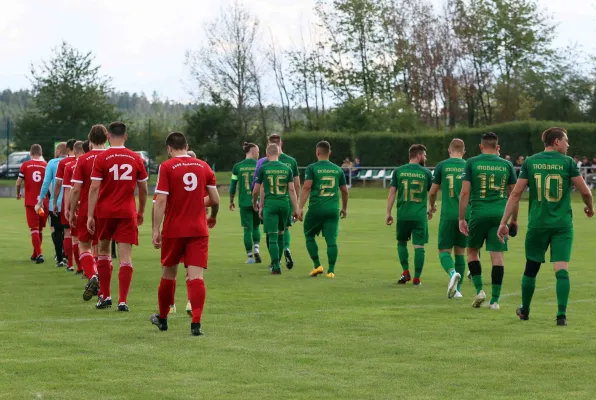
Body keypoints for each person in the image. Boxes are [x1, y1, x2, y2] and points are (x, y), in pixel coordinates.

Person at [498, 127, 594, 326]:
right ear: (557, 141)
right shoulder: (567, 163)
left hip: (537, 224)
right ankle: (561, 315)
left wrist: (503, 222)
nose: (568, 144)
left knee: (531, 268)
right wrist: (589, 207)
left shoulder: (531, 161)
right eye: (566, 140)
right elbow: (585, 192)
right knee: (561, 269)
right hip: (562, 225)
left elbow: (515, 194)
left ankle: (524, 310)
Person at [150, 132, 219, 336]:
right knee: (196, 276)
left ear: (169, 148)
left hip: (174, 229)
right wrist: (202, 207)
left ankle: (163, 319)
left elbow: (160, 200)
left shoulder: (167, 167)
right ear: (187, 146)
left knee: (169, 274)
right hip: (198, 229)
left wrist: (156, 228)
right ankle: (196, 324)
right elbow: (214, 199)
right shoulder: (203, 166)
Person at [87, 121, 148, 311]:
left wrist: (90, 215)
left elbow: (95, 187)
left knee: (103, 252)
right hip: (127, 212)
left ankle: (105, 296)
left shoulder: (102, 158)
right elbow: (144, 188)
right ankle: (123, 301)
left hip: (105, 212)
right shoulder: (136, 158)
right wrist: (141, 211)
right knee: (125, 257)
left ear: (108, 137)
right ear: (126, 136)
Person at [459, 132, 518, 309]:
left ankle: (479, 291)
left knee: (472, 251)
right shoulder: (507, 164)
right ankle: (495, 300)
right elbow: (514, 194)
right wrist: (514, 220)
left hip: (478, 213)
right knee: (497, 255)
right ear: (497, 146)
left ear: (481, 146)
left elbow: (464, 193)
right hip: (500, 215)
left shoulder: (472, 162)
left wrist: (461, 218)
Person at [298, 141, 349, 278]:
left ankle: (317, 265)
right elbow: (344, 190)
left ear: (317, 152)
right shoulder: (338, 169)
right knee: (331, 241)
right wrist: (344, 208)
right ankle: (331, 271)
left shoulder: (312, 168)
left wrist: (299, 207)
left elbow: (307, 187)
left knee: (309, 235)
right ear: (329, 153)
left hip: (316, 208)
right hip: (333, 209)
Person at [386, 144, 433, 286]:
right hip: (419, 216)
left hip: (403, 215)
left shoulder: (398, 171)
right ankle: (417, 278)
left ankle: (405, 271)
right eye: (424, 155)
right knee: (419, 246)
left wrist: (388, 213)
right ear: (418, 156)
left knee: (401, 243)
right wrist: (432, 207)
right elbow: (432, 193)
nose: (425, 158)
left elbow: (392, 193)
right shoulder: (426, 173)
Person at [251, 134, 300, 269]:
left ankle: (276, 265)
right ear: (279, 149)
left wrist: (257, 204)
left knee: (271, 236)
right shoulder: (288, 167)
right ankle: (286, 249)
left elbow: (257, 189)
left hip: (270, 204)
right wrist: (296, 208)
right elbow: (293, 189)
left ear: (267, 152)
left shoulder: (263, 166)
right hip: (285, 203)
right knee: (282, 232)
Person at [70, 126, 108, 301]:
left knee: (83, 246)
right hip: (107, 209)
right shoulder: (111, 158)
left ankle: (92, 275)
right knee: (104, 251)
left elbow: (76, 189)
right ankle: (104, 294)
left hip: (86, 208)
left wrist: (71, 210)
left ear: (90, 140)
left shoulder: (83, 159)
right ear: (106, 138)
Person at [428, 139, 467, 298]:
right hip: (466, 215)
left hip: (448, 215)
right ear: (464, 151)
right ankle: (458, 290)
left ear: (449, 150)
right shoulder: (469, 165)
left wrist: (431, 206)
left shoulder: (442, 165)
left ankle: (452, 273)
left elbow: (432, 192)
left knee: (444, 251)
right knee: (460, 252)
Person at [16, 144, 48, 264]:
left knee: (34, 229)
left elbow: (18, 183)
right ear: (41, 153)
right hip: (43, 202)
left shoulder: (26, 165)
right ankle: (35, 254)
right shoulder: (46, 165)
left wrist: (18, 193)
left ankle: (39, 254)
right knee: (39, 229)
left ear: (31, 153)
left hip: (31, 202)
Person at [36, 142, 67, 266]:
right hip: (72, 202)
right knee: (69, 231)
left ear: (59, 151)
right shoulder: (75, 161)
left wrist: (40, 200)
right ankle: (68, 256)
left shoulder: (52, 163)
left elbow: (46, 183)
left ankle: (60, 258)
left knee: (56, 230)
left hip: (56, 203)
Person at [230, 143, 262, 264]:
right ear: (253, 152)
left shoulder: (237, 167)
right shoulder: (261, 165)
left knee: (247, 229)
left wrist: (231, 200)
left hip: (244, 202)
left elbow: (233, 184)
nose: (258, 155)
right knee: (256, 227)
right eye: (258, 152)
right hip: (258, 201)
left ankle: (250, 257)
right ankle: (257, 248)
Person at [53, 139, 77, 271]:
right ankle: (86, 264)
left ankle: (71, 264)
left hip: (67, 201)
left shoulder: (64, 163)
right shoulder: (84, 160)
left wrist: (55, 201)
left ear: (68, 150)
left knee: (68, 232)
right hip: (83, 201)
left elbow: (58, 184)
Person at [62, 141, 85, 273]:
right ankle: (93, 267)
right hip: (90, 204)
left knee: (75, 237)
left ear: (74, 152)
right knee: (93, 239)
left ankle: (78, 266)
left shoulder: (69, 166)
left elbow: (68, 190)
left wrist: (67, 208)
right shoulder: (90, 163)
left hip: (76, 205)